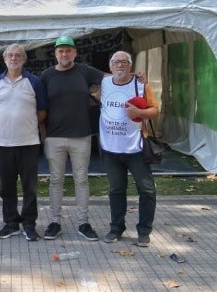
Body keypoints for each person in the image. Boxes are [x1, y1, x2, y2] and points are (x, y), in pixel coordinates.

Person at [40, 36, 105, 241]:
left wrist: (135, 76)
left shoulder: (84, 71)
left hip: (81, 136)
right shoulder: (46, 75)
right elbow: (39, 104)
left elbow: (112, 79)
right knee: (56, 180)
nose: (64, 54)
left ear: (75, 53)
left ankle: (83, 223)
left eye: (68, 50)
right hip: (54, 137)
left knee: (81, 180)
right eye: (61, 51)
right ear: (55, 54)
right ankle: (54, 222)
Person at [99, 51, 159, 247]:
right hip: (111, 148)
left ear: (130, 66)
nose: (120, 66)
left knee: (146, 189)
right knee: (116, 190)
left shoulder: (141, 85)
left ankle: (144, 231)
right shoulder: (104, 83)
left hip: (136, 149)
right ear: (110, 66)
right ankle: (116, 228)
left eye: (124, 62)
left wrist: (139, 112)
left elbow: (155, 110)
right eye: (116, 62)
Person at [0, 44, 47, 241]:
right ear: (5, 59)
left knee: (29, 187)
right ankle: (11, 223)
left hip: (29, 142)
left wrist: (26, 124)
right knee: (6, 187)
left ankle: (29, 224)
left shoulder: (34, 81)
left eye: (18, 55)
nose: (14, 58)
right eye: (10, 55)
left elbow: (42, 111)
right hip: (3, 144)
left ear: (24, 59)